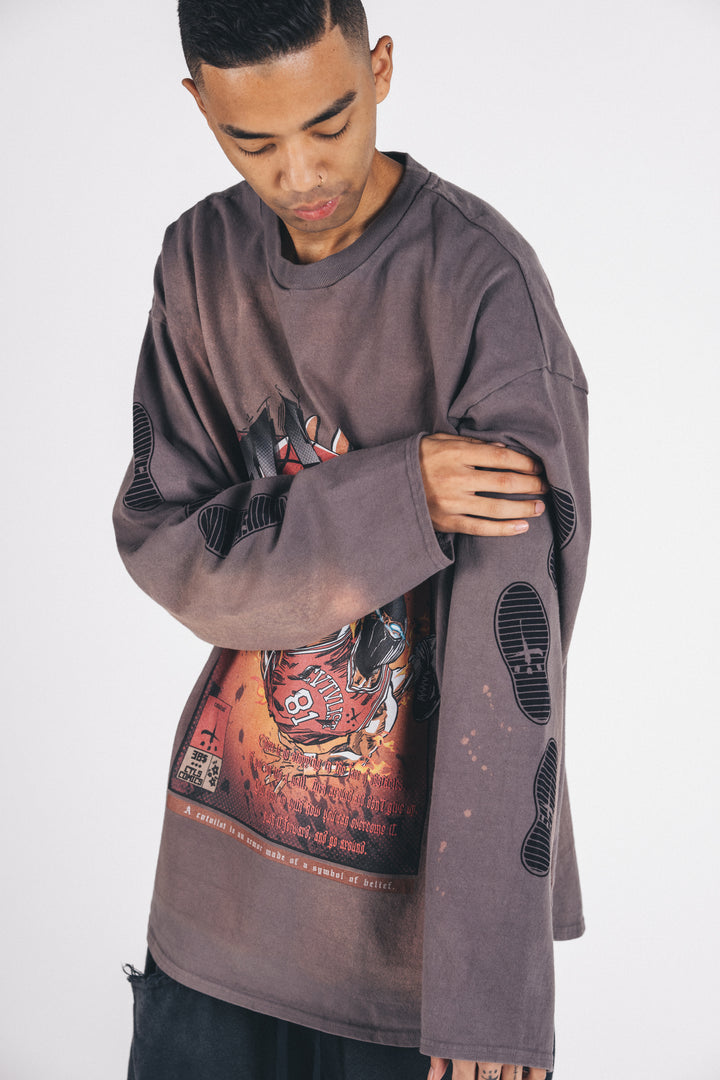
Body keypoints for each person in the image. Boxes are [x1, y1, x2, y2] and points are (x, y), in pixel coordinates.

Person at [113, 1, 590, 1077]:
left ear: (379, 69)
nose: (300, 174)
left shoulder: (480, 288)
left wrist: (491, 992)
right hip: (213, 913)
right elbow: (171, 546)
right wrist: (399, 496)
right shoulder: (199, 263)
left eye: (329, 122)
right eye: (252, 140)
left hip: (404, 959)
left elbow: (517, 664)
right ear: (199, 107)